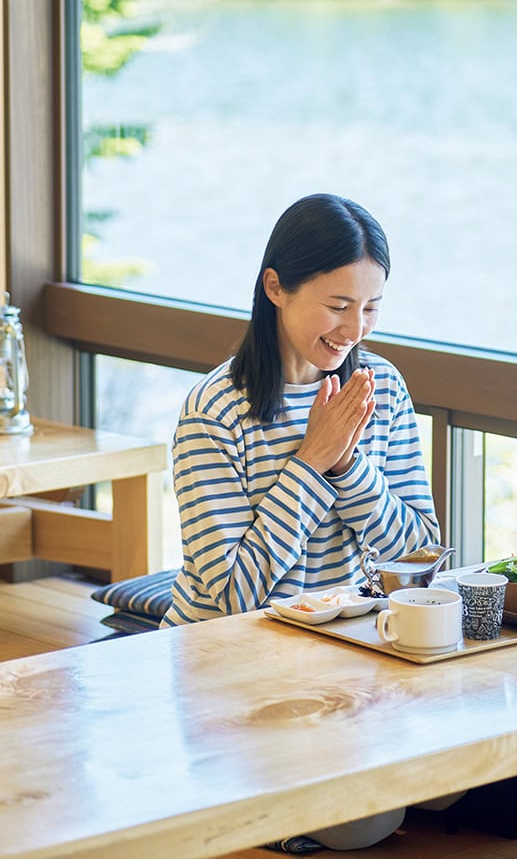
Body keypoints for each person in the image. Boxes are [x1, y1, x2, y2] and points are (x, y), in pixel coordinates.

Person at [161, 192, 442, 851]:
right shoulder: (216, 412)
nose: (355, 330)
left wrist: (348, 470)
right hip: (231, 670)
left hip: (353, 661)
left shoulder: (382, 387)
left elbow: (423, 555)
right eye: (338, 306)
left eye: (371, 308)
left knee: (487, 776)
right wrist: (312, 464)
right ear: (275, 287)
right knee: (366, 824)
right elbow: (233, 597)